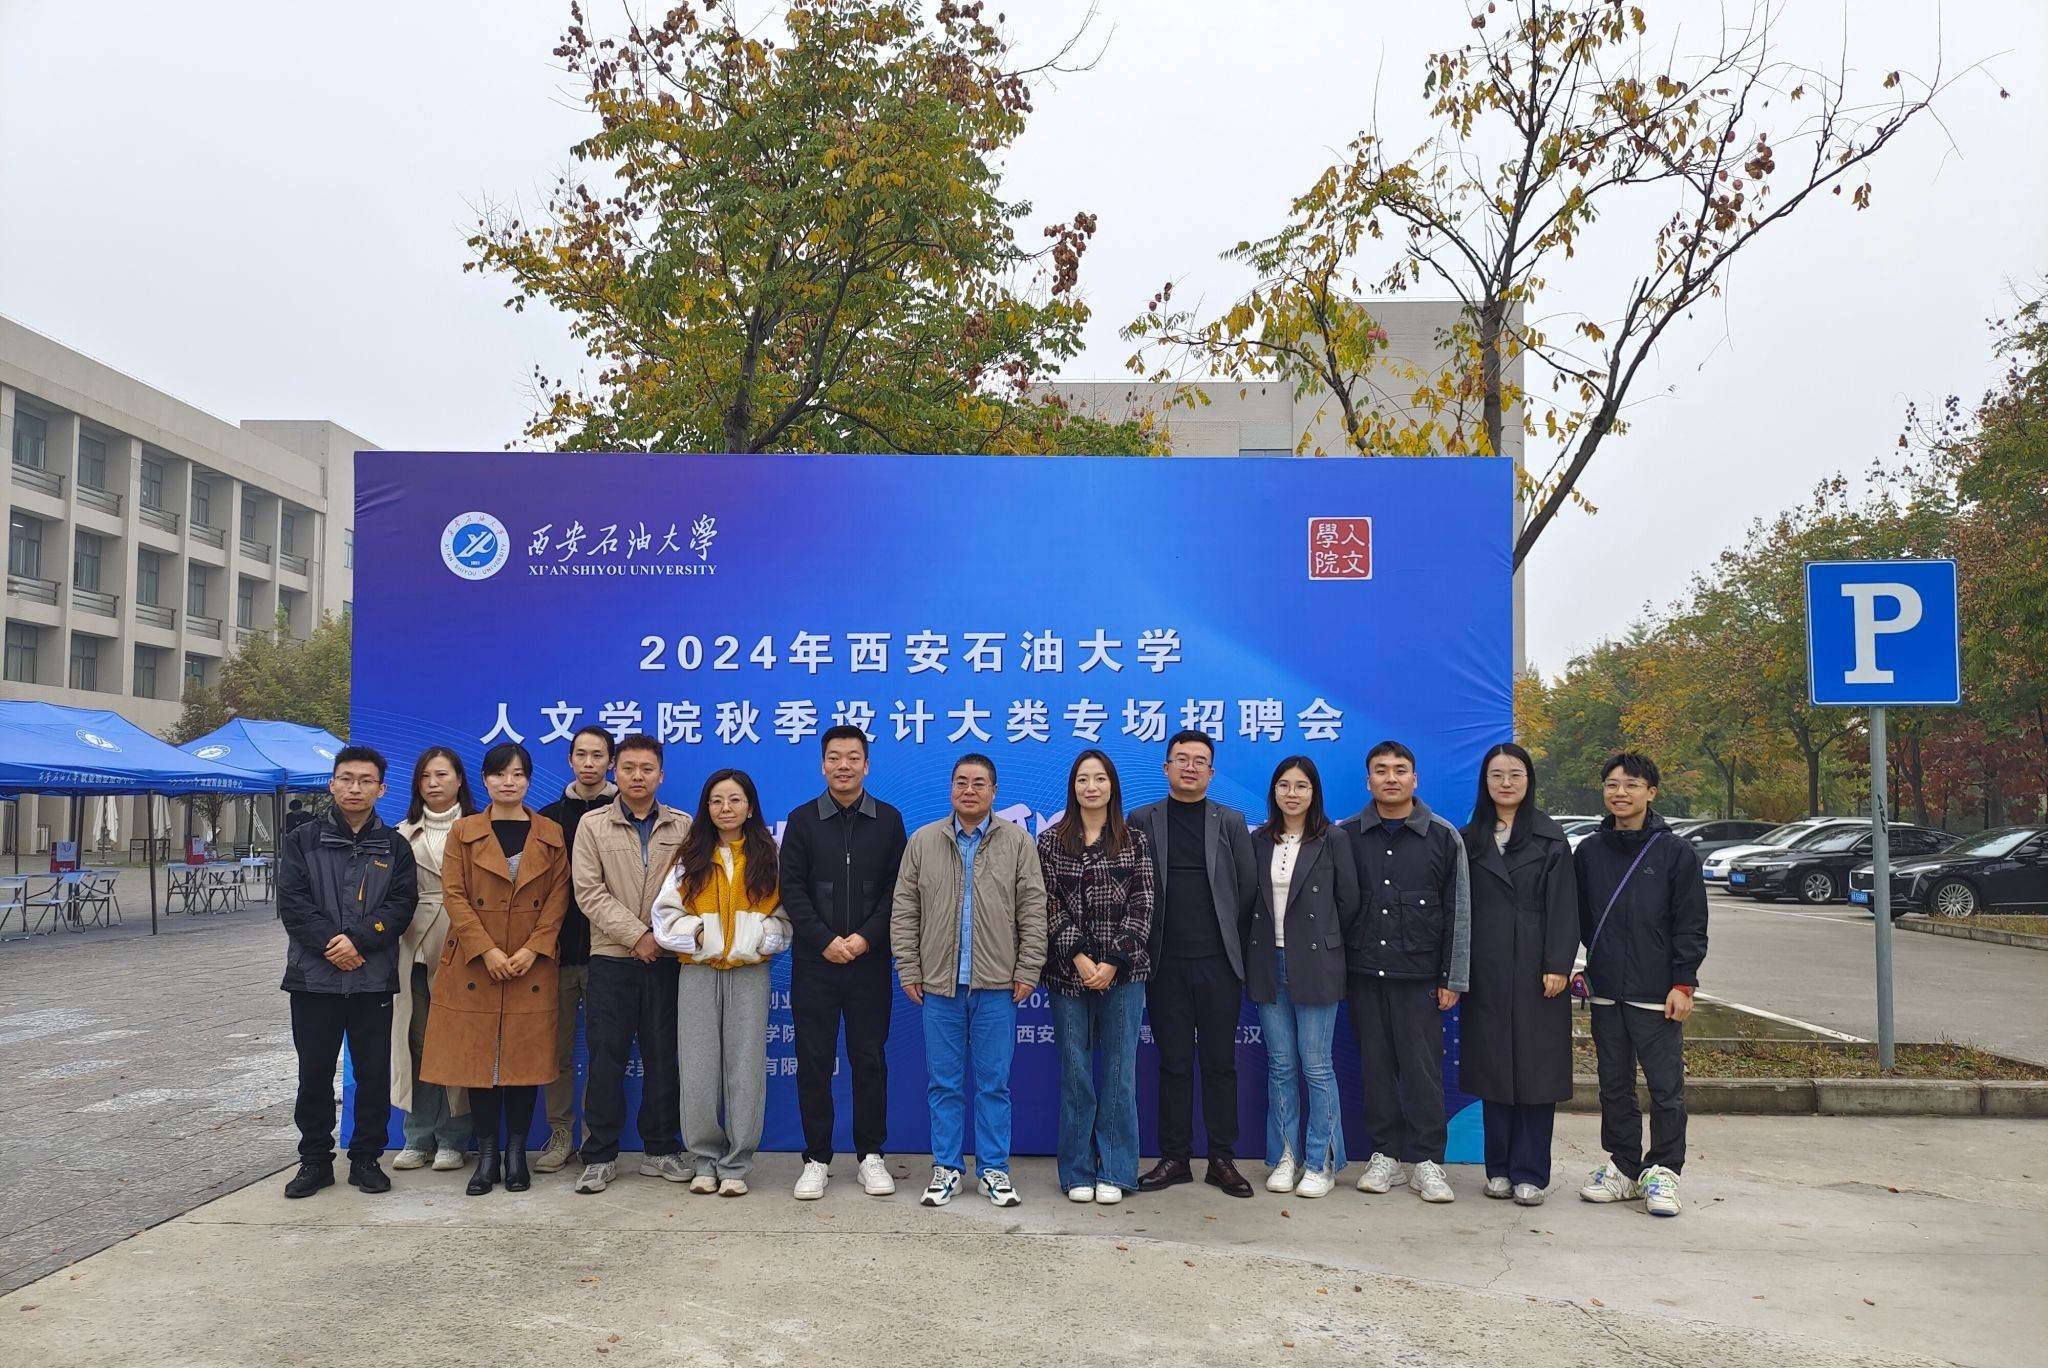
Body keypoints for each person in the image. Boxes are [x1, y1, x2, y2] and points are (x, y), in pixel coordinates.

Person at [891, 753, 1047, 1209]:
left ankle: (994, 1169)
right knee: (944, 1084)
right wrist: (909, 967)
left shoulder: (1018, 842)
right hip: (939, 986)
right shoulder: (924, 841)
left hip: (998, 986)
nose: (969, 790)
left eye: (979, 783)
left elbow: (1033, 910)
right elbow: (905, 910)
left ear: (994, 791)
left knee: (994, 1085)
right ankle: (947, 1168)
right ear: (951, 789)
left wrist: (1028, 969)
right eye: (961, 782)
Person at [419, 742, 570, 1196]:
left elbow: (559, 898)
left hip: (531, 965)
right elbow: (454, 895)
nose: (509, 782)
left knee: (524, 1062)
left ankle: (516, 1155)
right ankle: (487, 1157)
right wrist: (486, 950)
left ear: (528, 780)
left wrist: (534, 949)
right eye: (500, 774)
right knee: (479, 1061)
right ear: (484, 780)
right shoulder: (463, 831)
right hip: (475, 962)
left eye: (518, 774)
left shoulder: (550, 833)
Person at [276, 746, 419, 1199]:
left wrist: (358, 940)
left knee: (373, 1074)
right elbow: (293, 903)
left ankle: (366, 1158)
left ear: (382, 789)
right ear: (332, 784)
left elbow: (401, 906)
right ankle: (315, 1160)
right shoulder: (302, 840)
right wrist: (332, 945)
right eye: (347, 779)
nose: (355, 788)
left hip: (371, 978)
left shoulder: (395, 846)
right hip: (312, 979)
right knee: (314, 1073)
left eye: (365, 781)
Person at [1575, 751, 1709, 1218]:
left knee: (1665, 1088)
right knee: (1613, 1085)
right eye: (1612, 784)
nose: (1620, 793)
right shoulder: (1588, 852)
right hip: (1606, 989)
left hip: (1657, 992)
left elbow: (1691, 923)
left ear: (1651, 793)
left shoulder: (1675, 853)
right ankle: (1624, 1167)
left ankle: (1664, 1171)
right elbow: (1578, 917)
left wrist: (1683, 984)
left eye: (1631, 785)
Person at [1127, 730, 1259, 1199]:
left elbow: (1247, 889)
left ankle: (1222, 1158)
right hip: (1163, 963)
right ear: (1166, 768)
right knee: (1174, 1064)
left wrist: (1225, 944)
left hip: (1218, 964)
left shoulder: (1231, 821)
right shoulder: (1142, 819)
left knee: (1221, 1064)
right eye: (1181, 759)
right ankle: (1175, 1158)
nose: (1190, 767)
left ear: (1211, 772)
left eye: (1199, 760)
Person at [1338, 740, 1471, 1205]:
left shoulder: (1442, 836)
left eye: (1399, 770)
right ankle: (1386, 1155)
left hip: (1421, 979)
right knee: (1374, 1069)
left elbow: (1458, 910)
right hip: (1363, 974)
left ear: (1414, 779)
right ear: (1368, 780)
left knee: (1422, 1071)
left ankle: (1427, 1160)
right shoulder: (1347, 835)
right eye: (1381, 770)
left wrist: (1452, 978)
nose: (1390, 778)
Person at [650, 769, 793, 1196]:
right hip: (697, 973)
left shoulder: (770, 857)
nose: (725, 808)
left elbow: (787, 919)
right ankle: (704, 1160)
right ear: (706, 808)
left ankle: (736, 1164)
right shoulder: (690, 857)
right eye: (716, 801)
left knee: (746, 1068)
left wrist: (759, 937)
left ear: (750, 807)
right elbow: (663, 916)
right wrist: (698, 935)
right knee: (698, 1070)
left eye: (734, 800)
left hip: (750, 974)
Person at [781, 725, 908, 1201]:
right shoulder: (802, 820)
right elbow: (792, 889)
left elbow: (898, 890)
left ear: (867, 765)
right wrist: (825, 941)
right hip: (815, 964)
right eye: (834, 757)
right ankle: (816, 1158)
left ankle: (870, 1155)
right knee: (813, 1061)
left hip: (868, 963)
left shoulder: (889, 820)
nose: (843, 766)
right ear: (822, 765)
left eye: (853, 757)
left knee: (869, 1059)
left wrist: (865, 939)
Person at [569, 733, 693, 1195]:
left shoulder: (683, 826)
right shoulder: (592, 826)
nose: (637, 776)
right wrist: (636, 936)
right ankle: (600, 1155)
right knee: (607, 1058)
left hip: (666, 959)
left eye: (647, 769)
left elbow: (693, 890)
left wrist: (661, 937)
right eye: (628, 768)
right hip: (611, 959)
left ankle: (660, 1149)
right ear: (614, 772)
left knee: (664, 1057)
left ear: (661, 775)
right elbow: (588, 892)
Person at [1458, 743, 1578, 1206]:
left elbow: (1564, 906)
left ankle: (1530, 1171)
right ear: (1484, 782)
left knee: (1535, 1068)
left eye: (1515, 775)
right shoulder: (1469, 839)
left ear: (1529, 781)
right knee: (1494, 1068)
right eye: (1496, 775)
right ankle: (1499, 1169)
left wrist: (1557, 964)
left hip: (1535, 967)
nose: (1506, 783)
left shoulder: (1550, 838)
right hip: (1485, 966)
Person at [1036, 750, 1154, 1205]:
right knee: (1076, 1073)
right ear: (1073, 787)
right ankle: (1077, 1171)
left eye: (1100, 778)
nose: (1091, 786)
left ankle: (1118, 1170)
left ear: (1112, 786)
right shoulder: (1050, 842)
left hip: (1124, 976)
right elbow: (1046, 904)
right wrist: (1081, 958)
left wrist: (1113, 962)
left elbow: (1143, 905)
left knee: (1120, 1074)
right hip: (1069, 975)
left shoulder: (1135, 840)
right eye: (1083, 779)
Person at [1246, 756, 1359, 1198]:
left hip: (1316, 963)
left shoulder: (1334, 839)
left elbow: (1349, 903)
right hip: (1267, 961)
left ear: (1314, 793)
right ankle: (1285, 1156)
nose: (1292, 794)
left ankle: (1320, 1161)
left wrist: (1323, 942)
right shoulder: (1258, 840)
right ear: (1274, 791)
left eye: (1301, 786)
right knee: (1280, 1066)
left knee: (1316, 1064)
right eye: (1284, 785)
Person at [535, 725, 618, 1174]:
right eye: (581, 754)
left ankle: (596, 1139)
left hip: (611, 953)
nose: (589, 763)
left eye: (598, 755)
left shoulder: (627, 813)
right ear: (569, 760)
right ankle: (560, 1133)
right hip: (558, 953)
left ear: (610, 762)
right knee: (557, 1051)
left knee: (606, 1051)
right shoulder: (548, 819)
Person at [391, 747, 478, 1173]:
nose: (433, 783)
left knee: (458, 1041)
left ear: (460, 779)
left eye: (442, 775)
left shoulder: (480, 828)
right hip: (415, 945)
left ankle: (453, 1138)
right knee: (417, 1040)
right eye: (426, 776)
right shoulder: (401, 833)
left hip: (467, 943)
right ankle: (417, 1135)